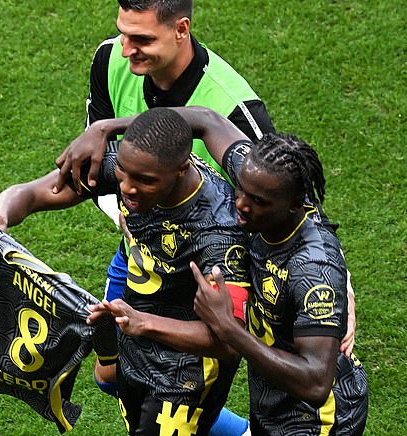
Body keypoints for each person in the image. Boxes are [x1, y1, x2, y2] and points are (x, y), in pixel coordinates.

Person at [0, 108, 252, 435]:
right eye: (122, 175)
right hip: (137, 328)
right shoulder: (131, 169)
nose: (128, 189)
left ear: (182, 169)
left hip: (188, 364)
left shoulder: (218, 231)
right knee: (107, 380)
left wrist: (141, 323)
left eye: (144, 181)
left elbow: (229, 340)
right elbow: (39, 191)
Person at [52, 2, 275, 418]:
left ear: (181, 29)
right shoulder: (109, 60)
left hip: (206, 274)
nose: (125, 49)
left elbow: (289, 206)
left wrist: (340, 285)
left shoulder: (233, 110)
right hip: (141, 252)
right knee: (110, 375)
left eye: (141, 39)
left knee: (181, 399)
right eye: (123, 33)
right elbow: (95, 159)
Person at [176, 106, 368, 434]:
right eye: (240, 189)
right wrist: (106, 129)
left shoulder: (312, 268)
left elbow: (315, 381)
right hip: (272, 398)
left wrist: (228, 327)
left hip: (314, 420)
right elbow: (206, 121)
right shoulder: (260, 177)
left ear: (295, 203)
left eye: (258, 200)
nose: (241, 204)